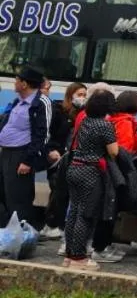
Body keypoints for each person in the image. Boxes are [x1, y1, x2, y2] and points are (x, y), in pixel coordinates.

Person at [63, 88, 119, 270]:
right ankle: (79, 258)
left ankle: (69, 255)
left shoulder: (84, 120)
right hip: (91, 172)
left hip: (74, 168)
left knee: (73, 212)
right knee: (86, 215)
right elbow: (114, 151)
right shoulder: (105, 125)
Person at [90, 88, 137, 263]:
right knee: (110, 210)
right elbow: (124, 151)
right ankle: (101, 248)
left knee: (105, 209)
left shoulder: (112, 119)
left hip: (104, 170)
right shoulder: (126, 123)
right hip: (116, 174)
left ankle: (102, 245)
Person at [0, 66, 52, 228]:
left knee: (18, 197)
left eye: (17, 80)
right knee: (5, 194)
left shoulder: (40, 103)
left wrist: (28, 160)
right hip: (6, 152)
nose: (14, 82)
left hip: (20, 155)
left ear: (24, 84)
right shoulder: (19, 101)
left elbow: (42, 135)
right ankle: (5, 231)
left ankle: (20, 235)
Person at [38, 81, 86, 240]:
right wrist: (51, 149)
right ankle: (50, 224)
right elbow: (49, 132)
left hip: (71, 158)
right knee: (58, 190)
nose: (82, 98)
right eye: (79, 94)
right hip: (57, 157)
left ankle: (56, 224)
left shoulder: (82, 113)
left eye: (85, 95)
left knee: (65, 192)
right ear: (70, 95)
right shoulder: (59, 111)